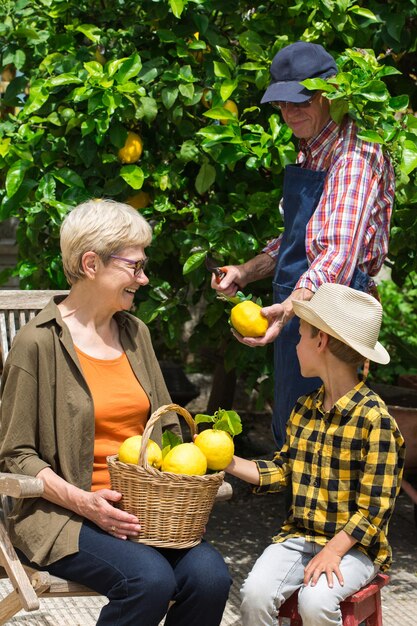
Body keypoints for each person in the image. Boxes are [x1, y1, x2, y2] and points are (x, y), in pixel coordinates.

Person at [0, 199, 231, 626]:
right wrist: (86, 503)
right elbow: (16, 454)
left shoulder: (135, 333)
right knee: (149, 580)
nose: (143, 279)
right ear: (91, 263)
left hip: (147, 510)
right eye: (135, 266)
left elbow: (168, 430)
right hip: (64, 515)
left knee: (211, 576)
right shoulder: (38, 344)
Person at [210, 41, 395, 448]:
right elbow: (297, 238)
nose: (291, 114)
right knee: (295, 434)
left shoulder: (353, 152)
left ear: (328, 94)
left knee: (322, 441)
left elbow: (339, 252)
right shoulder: (312, 148)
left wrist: (294, 306)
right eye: (283, 104)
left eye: (302, 101)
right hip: (300, 307)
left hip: (330, 315)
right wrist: (246, 271)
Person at [225, 283, 405, 626]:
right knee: (254, 595)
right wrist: (229, 462)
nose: (295, 345)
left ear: (320, 342)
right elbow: (283, 471)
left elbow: (375, 509)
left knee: (315, 602)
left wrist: (333, 550)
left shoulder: (375, 420)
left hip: (355, 548)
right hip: (300, 536)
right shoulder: (305, 408)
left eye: (301, 335)